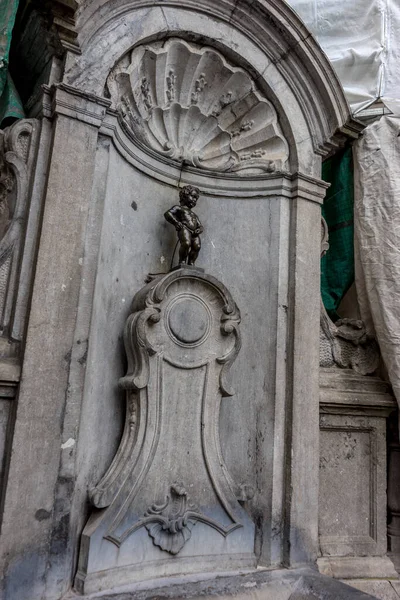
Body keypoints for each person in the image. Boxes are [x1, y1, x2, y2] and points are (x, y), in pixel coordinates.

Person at [164, 185, 204, 266]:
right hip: (184, 228)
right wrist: (176, 222)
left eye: (196, 198)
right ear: (184, 196)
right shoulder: (179, 208)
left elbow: (200, 225)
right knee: (186, 243)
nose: (194, 200)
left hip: (194, 233)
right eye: (193, 197)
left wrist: (199, 229)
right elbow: (167, 213)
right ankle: (182, 262)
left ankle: (191, 263)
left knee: (197, 246)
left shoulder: (194, 214)